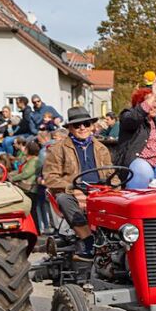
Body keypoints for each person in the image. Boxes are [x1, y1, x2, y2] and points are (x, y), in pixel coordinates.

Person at [40, 107, 114, 259]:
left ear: (92, 126)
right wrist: (73, 189)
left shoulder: (102, 148)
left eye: (86, 124)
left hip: (101, 190)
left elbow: (112, 175)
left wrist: (114, 188)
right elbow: (50, 178)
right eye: (77, 125)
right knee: (63, 199)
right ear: (70, 128)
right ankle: (88, 242)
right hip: (72, 191)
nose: (82, 128)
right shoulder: (57, 149)